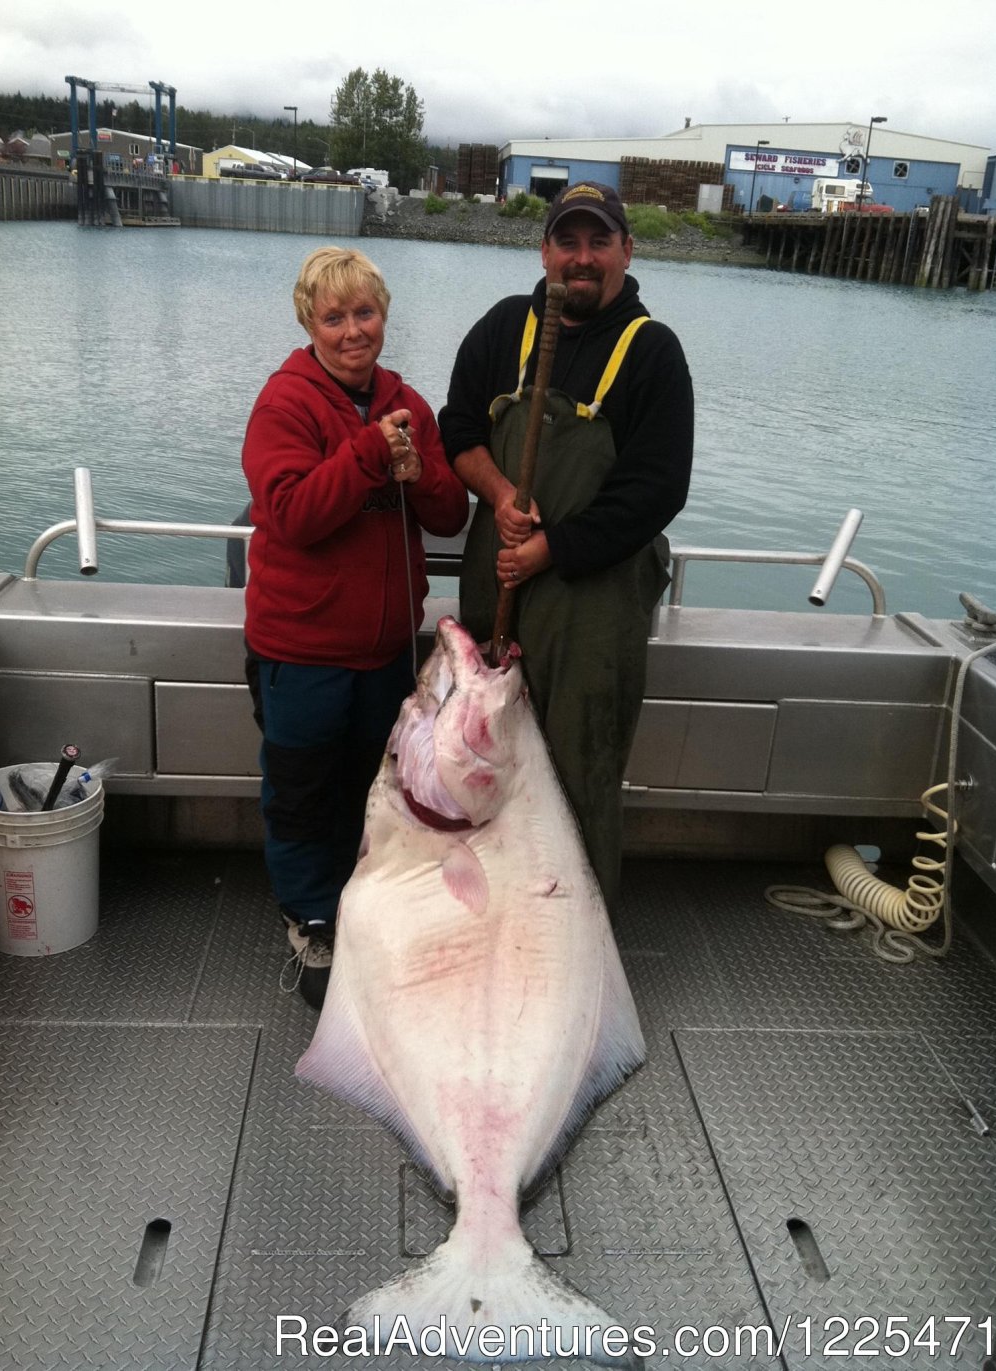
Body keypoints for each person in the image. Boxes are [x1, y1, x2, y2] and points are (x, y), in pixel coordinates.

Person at [439, 182, 694, 913]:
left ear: (626, 250)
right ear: (544, 248)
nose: (582, 259)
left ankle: (576, 951)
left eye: (599, 242)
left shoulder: (653, 354)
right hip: (499, 586)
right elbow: (456, 428)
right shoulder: (501, 330)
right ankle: (489, 927)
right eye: (568, 242)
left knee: (578, 777)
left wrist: (552, 548)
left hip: (593, 604)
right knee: (482, 764)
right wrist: (499, 492)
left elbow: (655, 490)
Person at [242, 246, 468, 1008]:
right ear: (308, 321)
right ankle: (312, 919)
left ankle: (366, 905)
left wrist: (420, 472)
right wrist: (371, 455)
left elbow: (449, 514)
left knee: (379, 792)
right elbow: (292, 515)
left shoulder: (409, 402)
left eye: (363, 313)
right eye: (333, 317)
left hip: (385, 652)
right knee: (303, 792)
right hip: (300, 650)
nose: (351, 331)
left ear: (384, 315)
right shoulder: (286, 403)